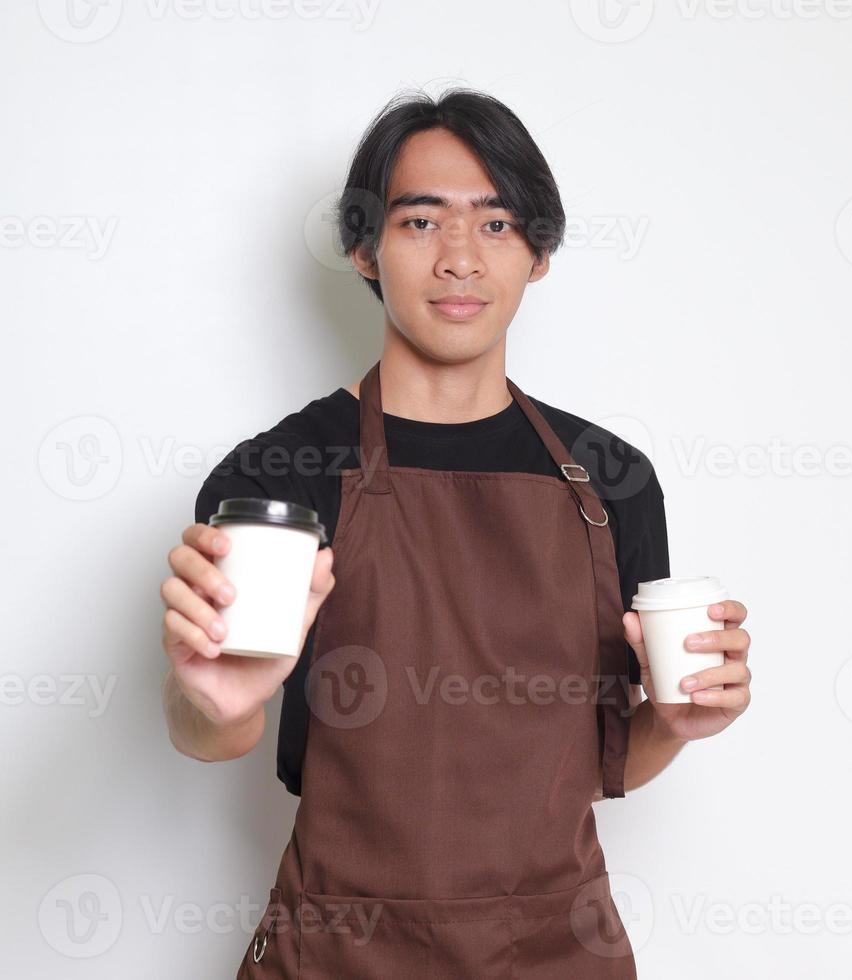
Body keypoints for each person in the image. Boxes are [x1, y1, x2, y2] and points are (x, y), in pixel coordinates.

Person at [161, 87, 753, 979]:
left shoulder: (610, 478)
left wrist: (673, 723)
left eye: (498, 225)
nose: (461, 261)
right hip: (336, 956)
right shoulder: (276, 478)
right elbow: (214, 727)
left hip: (557, 953)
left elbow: (594, 766)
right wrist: (212, 707)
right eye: (421, 224)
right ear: (364, 246)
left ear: (538, 254)